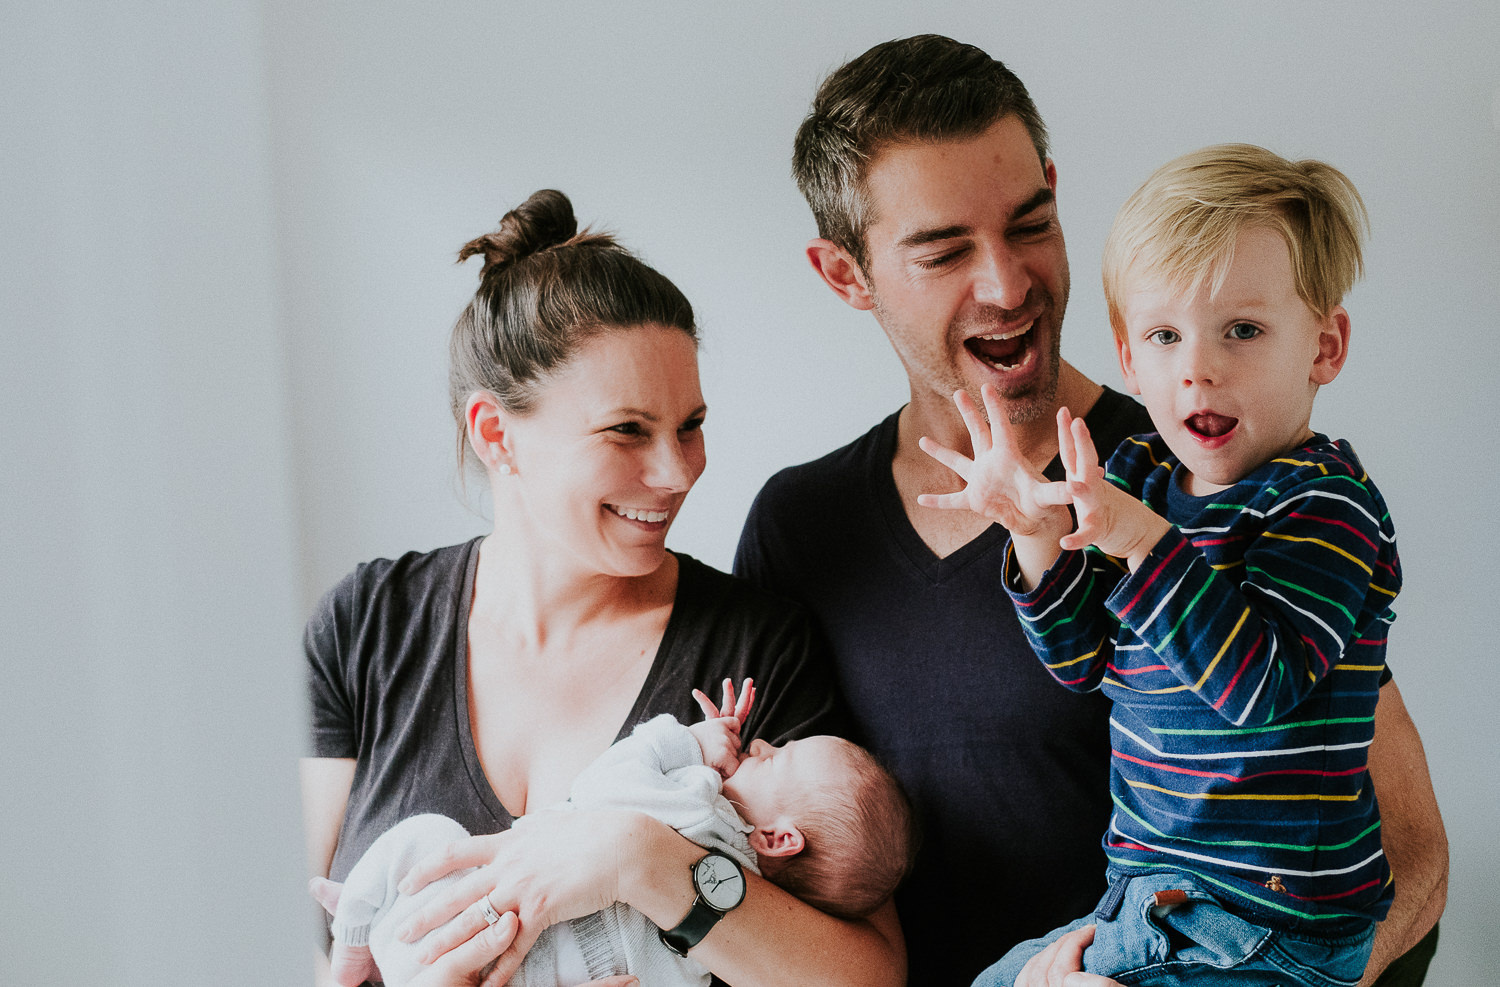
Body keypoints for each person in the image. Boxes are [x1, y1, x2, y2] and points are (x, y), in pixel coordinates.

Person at [733, 34, 1447, 987]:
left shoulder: (1211, 472)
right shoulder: (800, 525)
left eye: (1031, 223)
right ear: (845, 274)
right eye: (944, 250)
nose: (1008, 283)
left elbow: (1410, 854)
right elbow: (773, 870)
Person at [302, 189, 907, 987]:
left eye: (690, 424)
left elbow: (868, 977)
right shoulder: (369, 624)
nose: (679, 469)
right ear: (495, 434)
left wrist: (639, 859)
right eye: (628, 429)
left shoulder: (754, 648)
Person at [919, 143, 1393, 985]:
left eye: (1242, 330)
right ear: (1129, 356)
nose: (1197, 367)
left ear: (1325, 347)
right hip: (1151, 902)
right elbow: (1081, 663)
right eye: (1165, 335)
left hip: (1273, 926)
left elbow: (1261, 688)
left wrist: (1142, 542)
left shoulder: (1323, 503)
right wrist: (1033, 531)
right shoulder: (1135, 474)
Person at [312, 680, 913, 987]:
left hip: (460, 929)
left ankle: (357, 932)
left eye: (774, 756)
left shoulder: (695, 803)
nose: (758, 744)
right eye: (627, 431)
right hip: (505, 955)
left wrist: (690, 746)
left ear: (779, 839)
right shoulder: (739, 929)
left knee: (423, 838)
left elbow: (605, 786)